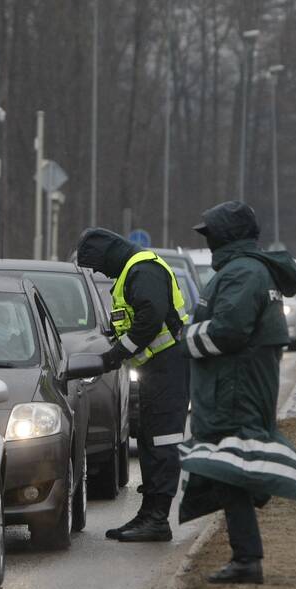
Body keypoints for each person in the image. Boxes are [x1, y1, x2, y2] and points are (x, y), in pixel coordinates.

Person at [177, 201, 296, 584]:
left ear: (228, 236)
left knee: (230, 468)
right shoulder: (247, 270)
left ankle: (247, 559)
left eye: (211, 234)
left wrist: (185, 337)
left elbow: (228, 332)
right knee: (230, 466)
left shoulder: (243, 273)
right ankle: (246, 552)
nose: (209, 241)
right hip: (237, 385)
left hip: (233, 388)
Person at [77, 228, 190, 542]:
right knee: (151, 443)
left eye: (98, 265)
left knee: (163, 443)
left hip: (169, 368)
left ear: (107, 255)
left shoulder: (143, 270)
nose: (100, 272)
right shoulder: (133, 271)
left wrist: (117, 354)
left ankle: (157, 519)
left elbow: (150, 318)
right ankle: (149, 514)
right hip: (157, 370)